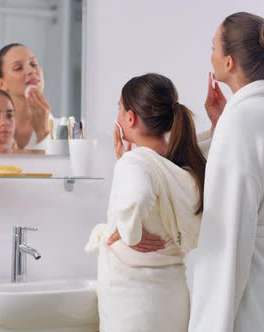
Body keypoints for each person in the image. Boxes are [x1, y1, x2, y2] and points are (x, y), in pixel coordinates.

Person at [188, 12, 264, 331]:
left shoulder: (240, 121)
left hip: (251, 302)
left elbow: (228, 234)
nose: (210, 55)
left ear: (228, 62)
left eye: (213, 46)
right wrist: (220, 124)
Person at [84, 73, 206, 332]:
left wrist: (130, 233)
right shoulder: (180, 161)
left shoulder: (135, 162)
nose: (117, 116)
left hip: (134, 302)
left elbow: (138, 194)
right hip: (173, 297)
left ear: (130, 118)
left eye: (119, 108)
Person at [0, 43, 53, 150]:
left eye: (33, 64)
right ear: (1, 84)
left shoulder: (64, 130)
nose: (31, 71)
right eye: (18, 68)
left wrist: (43, 134)